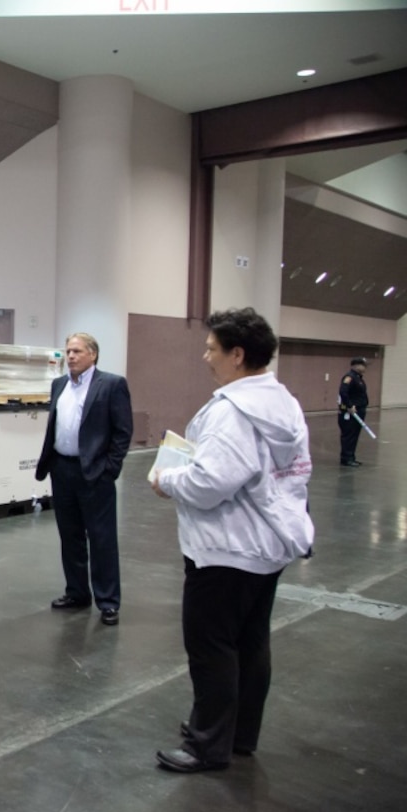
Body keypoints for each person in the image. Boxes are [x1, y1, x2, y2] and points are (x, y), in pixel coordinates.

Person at [151, 307, 314, 773]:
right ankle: (239, 734)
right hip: (268, 545)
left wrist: (167, 479)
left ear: (237, 355)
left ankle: (208, 746)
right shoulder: (281, 402)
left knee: (211, 647)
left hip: (225, 549)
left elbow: (210, 483)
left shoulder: (233, 411)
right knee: (250, 643)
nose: (205, 357)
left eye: (211, 348)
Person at [35, 332, 133, 625]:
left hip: (94, 474)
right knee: (71, 536)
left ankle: (108, 601)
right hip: (62, 470)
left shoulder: (112, 385)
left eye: (77, 351)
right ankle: (77, 592)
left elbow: (122, 432)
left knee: (102, 538)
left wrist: (109, 470)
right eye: (68, 351)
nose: (71, 356)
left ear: (93, 354)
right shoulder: (59, 385)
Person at [338, 356, 369, 467]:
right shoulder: (349, 377)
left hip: (359, 411)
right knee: (349, 435)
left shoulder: (358, 378)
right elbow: (343, 392)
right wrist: (349, 406)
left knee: (354, 435)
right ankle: (346, 458)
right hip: (351, 413)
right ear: (356, 365)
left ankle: (351, 457)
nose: (365, 368)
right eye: (363, 365)